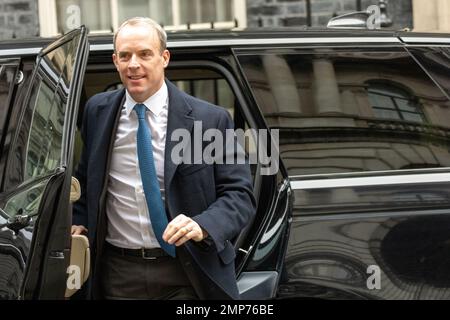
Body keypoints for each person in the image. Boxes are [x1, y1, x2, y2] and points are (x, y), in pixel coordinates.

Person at [71, 17, 256, 300]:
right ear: (115, 61)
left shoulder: (208, 121)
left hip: (188, 270)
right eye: (125, 55)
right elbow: (86, 180)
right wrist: (78, 219)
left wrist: (203, 225)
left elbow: (239, 195)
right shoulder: (97, 111)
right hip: (118, 272)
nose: (134, 64)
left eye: (145, 54)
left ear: (164, 57)